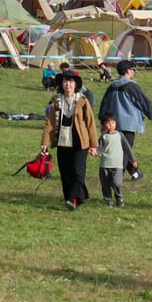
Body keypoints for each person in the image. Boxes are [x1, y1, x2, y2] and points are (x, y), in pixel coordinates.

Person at [40, 70, 97, 210]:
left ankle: (74, 199)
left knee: (77, 171)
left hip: (80, 142)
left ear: (76, 84)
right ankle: (71, 197)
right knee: (65, 172)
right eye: (65, 81)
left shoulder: (82, 101)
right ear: (61, 83)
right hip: (62, 141)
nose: (68, 84)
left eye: (71, 81)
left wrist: (93, 145)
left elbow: (90, 122)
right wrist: (45, 142)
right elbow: (50, 123)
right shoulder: (56, 101)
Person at [98, 60, 152, 180]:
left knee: (122, 149)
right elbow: (144, 101)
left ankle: (135, 173)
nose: (133, 72)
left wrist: (102, 120)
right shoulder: (132, 85)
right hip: (129, 123)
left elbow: (104, 103)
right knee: (125, 150)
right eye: (132, 70)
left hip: (114, 123)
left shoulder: (112, 86)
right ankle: (117, 176)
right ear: (128, 71)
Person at [97, 115, 125, 208]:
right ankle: (108, 200)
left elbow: (127, 148)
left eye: (113, 122)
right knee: (105, 184)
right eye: (108, 123)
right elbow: (99, 149)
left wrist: (133, 160)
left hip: (117, 164)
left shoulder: (120, 135)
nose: (111, 125)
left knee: (117, 183)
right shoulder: (103, 137)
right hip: (105, 164)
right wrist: (94, 151)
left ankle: (119, 198)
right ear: (103, 125)